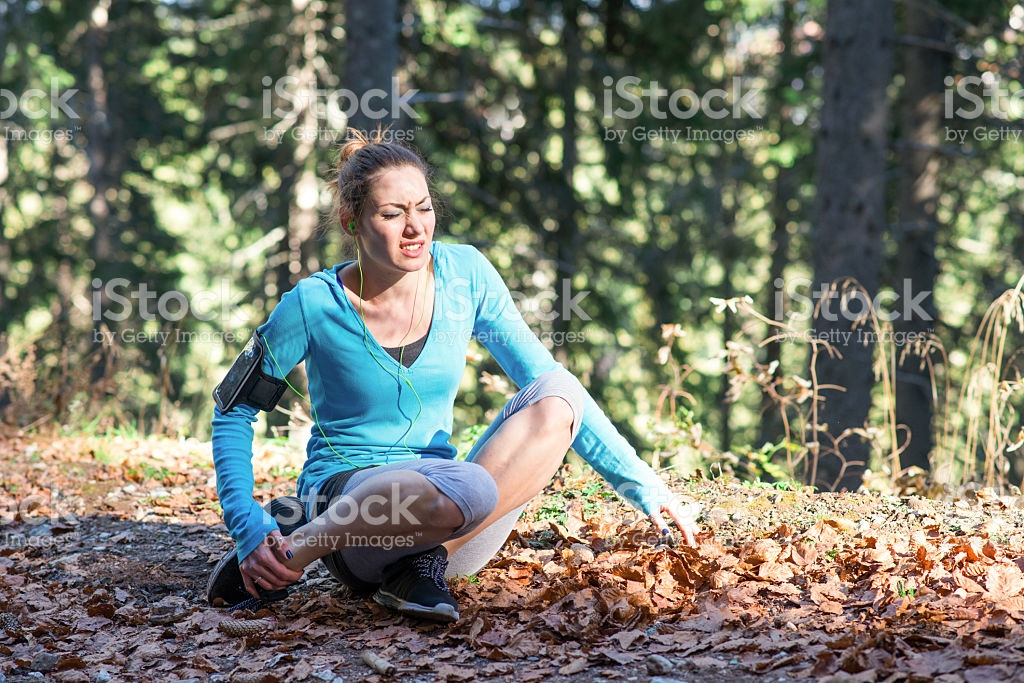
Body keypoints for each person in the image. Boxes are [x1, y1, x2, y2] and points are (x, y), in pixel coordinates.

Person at [207, 129, 701, 623]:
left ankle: (413, 564)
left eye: (423, 208)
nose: (415, 227)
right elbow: (233, 412)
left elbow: (547, 382)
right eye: (392, 214)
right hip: (351, 510)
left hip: (451, 521)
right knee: (462, 484)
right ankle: (292, 550)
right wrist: (247, 525)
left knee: (557, 393)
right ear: (351, 221)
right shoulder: (313, 303)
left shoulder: (465, 274)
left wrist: (643, 485)